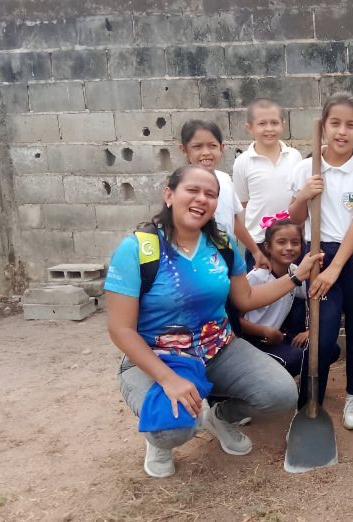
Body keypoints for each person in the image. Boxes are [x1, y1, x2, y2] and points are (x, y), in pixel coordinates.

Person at [107, 164, 322, 478]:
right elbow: (120, 328)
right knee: (178, 425)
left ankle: (221, 416)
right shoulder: (137, 250)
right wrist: (168, 380)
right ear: (169, 195)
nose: (201, 199)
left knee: (282, 394)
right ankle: (160, 442)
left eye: (211, 194)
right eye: (192, 190)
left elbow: (245, 299)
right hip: (159, 359)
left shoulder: (222, 246)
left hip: (219, 350)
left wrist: (295, 276)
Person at [288, 92, 353, 430]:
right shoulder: (306, 168)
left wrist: (336, 267)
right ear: (324, 126)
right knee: (323, 333)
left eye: (351, 125)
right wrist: (304, 194)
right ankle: (312, 397)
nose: (342, 132)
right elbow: (295, 217)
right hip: (318, 251)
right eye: (335, 123)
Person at [179, 120, 268, 270]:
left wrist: (256, 251)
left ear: (221, 148)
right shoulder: (180, 186)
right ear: (184, 150)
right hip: (197, 262)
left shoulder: (225, 179)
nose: (206, 152)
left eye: (212, 146)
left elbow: (235, 222)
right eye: (197, 146)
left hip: (225, 256)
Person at [233, 98, 303, 272]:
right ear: (249, 128)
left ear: (283, 124)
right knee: (261, 292)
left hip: (292, 239)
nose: (269, 129)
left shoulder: (294, 156)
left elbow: (300, 196)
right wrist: (256, 250)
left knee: (296, 290)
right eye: (262, 123)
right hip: (259, 241)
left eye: (274, 123)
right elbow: (243, 203)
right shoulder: (243, 162)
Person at [238, 212, 309, 377]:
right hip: (253, 341)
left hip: (276, 338)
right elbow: (236, 320)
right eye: (281, 242)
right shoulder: (258, 276)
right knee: (301, 358)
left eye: (295, 242)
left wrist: (309, 331)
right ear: (267, 246)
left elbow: (315, 297)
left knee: (327, 350)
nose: (289, 247)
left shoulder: (294, 272)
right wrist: (265, 331)